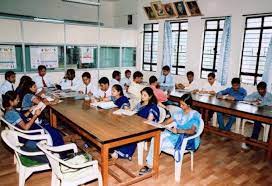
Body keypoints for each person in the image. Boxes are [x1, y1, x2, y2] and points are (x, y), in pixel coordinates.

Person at [139, 93, 202, 175]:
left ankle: (150, 165)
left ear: (189, 105)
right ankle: (150, 164)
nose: (181, 106)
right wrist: (160, 124)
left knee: (158, 142)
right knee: (156, 138)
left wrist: (179, 131)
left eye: (183, 105)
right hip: (175, 135)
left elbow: (192, 131)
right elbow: (167, 121)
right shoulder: (180, 112)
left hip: (187, 138)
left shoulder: (194, 115)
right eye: (180, 104)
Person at [111, 87, 160, 160]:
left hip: (145, 127)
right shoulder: (141, 104)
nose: (142, 97)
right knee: (121, 127)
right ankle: (115, 147)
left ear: (150, 96)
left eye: (145, 95)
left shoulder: (152, 107)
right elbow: (133, 111)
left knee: (131, 133)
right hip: (137, 123)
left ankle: (122, 152)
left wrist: (136, 123)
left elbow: (148, 121)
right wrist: (127, 111)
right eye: (142, 95)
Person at [241, 81, 272, 149]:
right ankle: (253, 140)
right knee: (257, 120)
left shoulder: (269, 95)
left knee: (258, 121)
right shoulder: (256, 94)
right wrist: (254, 99)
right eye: (259, 90)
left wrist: (263, 103)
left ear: (265, 89)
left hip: (267, 115)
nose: (260, 91)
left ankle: (255, 141)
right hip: (258, 113)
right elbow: (245, 98)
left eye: (262, 90)